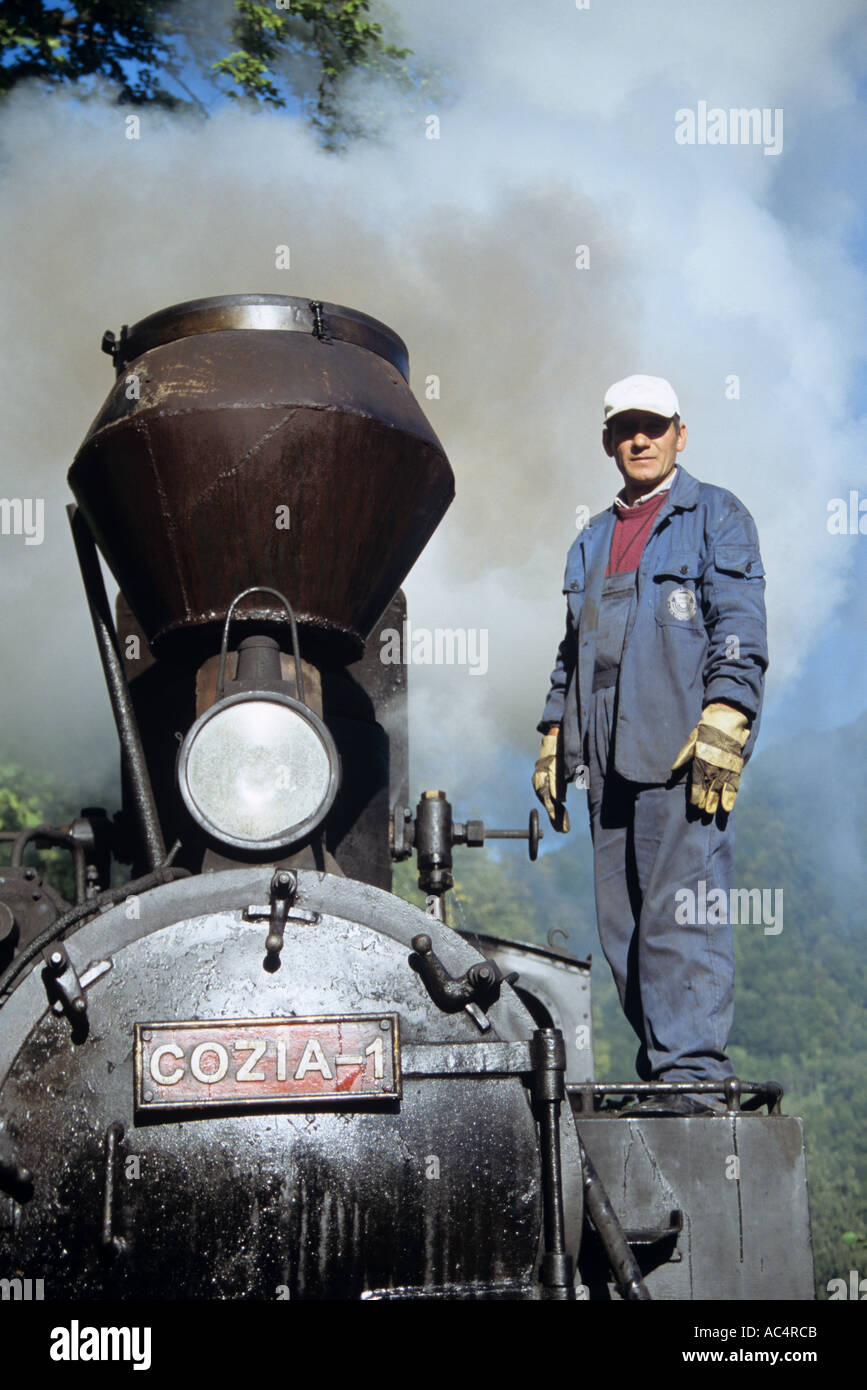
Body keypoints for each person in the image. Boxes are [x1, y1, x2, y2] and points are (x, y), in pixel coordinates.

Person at [533, 375, 768, 1115]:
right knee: (624, 930)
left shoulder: (714, 515)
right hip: (604, 763)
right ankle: (661, 1076)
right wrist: (552, 732)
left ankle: (693, 1080)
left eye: (653, 426)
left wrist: (729, 710)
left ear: (679, 433)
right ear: (609, 441)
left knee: (680, 914)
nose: (639, 439)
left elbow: (738, 617)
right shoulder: (591, 541)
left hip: (680, 750)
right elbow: (573, 655)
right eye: (625, 429)